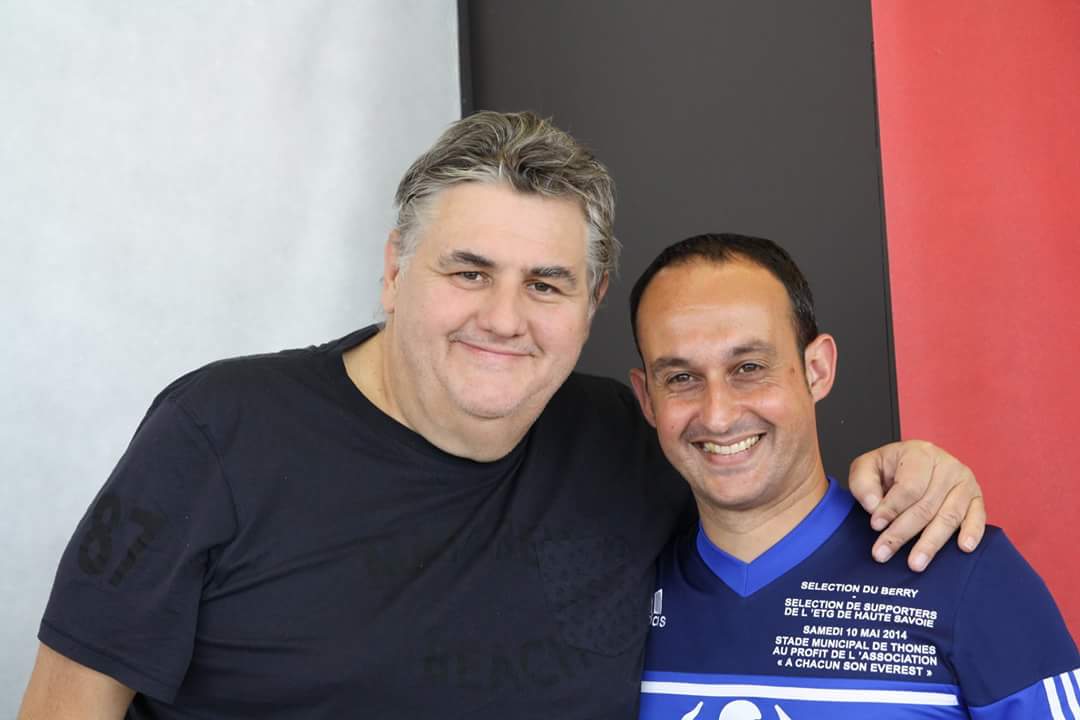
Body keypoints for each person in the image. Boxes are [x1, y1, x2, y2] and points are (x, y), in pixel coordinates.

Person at [19, 113, 985, 719]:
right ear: (395, 271)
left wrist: (910, 471)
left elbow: (766, 498)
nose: (505, 319)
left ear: (591, 304)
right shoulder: (218, 433)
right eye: (469, 272)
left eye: (546, 283)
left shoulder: (626, 441)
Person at [628, 233, 1078, 719]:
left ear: (817, 369)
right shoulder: (621, 593)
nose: (717, 415)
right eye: (681, 378)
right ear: (647, 399)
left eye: (749, 367)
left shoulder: (966, 574)